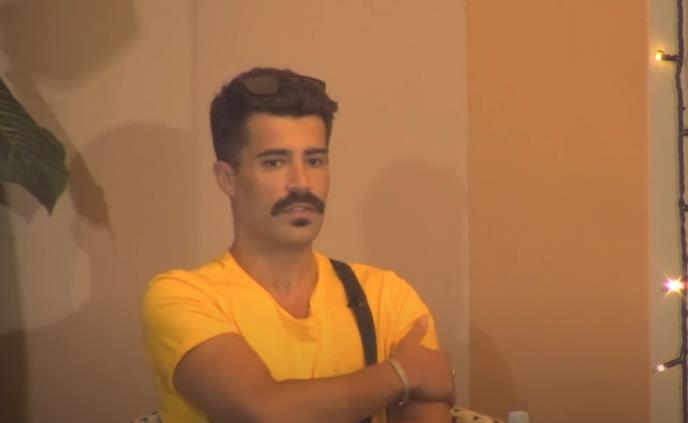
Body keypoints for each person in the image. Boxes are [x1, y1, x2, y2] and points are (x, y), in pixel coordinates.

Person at [142, 67, 455, 423]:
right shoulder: (181, 297)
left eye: (314, 160)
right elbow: (262, 412)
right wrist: (401, 374)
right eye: (275, 162)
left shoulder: (387, 296)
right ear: (227, 179)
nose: (301, 182)